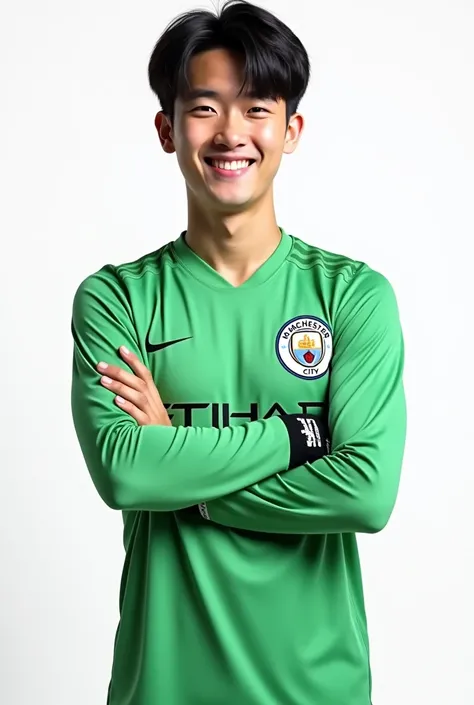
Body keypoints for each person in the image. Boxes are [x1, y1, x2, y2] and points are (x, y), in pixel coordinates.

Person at [70, 1, 407, 703]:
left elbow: (366, 491)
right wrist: (298, 435)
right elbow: (128, 474)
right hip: (162, 686)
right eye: (205, 108)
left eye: (257, 108)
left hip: (317, 690)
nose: (232, 134)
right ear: (167, 129)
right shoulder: (117, 300)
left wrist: (183, 470)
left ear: (292, 131)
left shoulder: (352, 296)